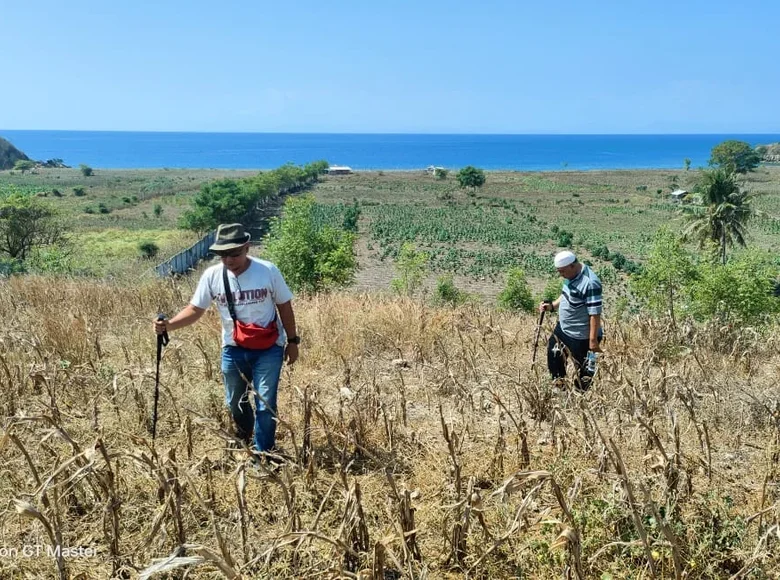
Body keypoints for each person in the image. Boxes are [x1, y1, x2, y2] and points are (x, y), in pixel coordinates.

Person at [153, 223, 299, 455]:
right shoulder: (213, 275)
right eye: (223, 254)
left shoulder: (268, 270)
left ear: (247, 247)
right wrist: (169, 325)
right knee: (235, 402)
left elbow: (285, 306)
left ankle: (262, 454)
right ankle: (245, 435)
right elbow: (195, 309)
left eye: (234, 253)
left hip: (269, 347)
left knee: (265, 402)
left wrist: (292, 342)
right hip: (233, 348)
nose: (229, 259)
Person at [539, 250, 603, 392]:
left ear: (572, 266)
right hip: (563, 329)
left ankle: (580, 398)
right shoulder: (572, 275)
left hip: (581, 337)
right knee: (554, 357)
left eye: (562, 271)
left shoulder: (590, 283)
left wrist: (592, 341)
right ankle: (559, 390)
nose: (560, 274)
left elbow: (595, 314)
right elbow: (566, 294)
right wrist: (552, 306)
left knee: (584, 370)